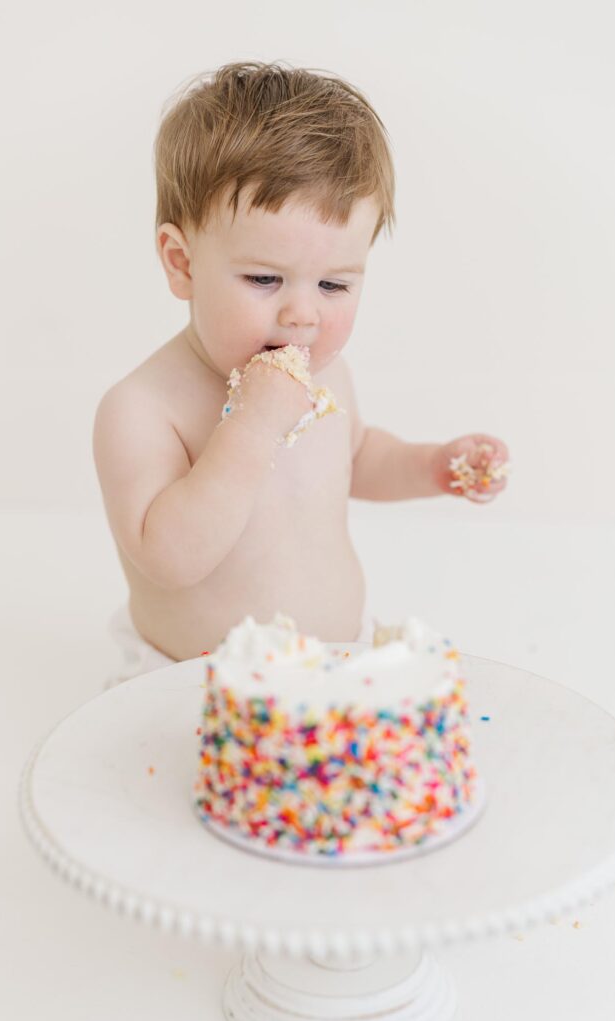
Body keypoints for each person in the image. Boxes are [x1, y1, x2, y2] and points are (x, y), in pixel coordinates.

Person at [93, 60, 510, 687]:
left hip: (335, 666)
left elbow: (358, 455)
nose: (302, 314)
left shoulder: (324, 375)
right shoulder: (142, 408)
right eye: (264, 279)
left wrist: (431, 465)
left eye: (334, 284)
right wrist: (250, 426)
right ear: (182, 264)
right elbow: (169, 559)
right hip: (188, 682)